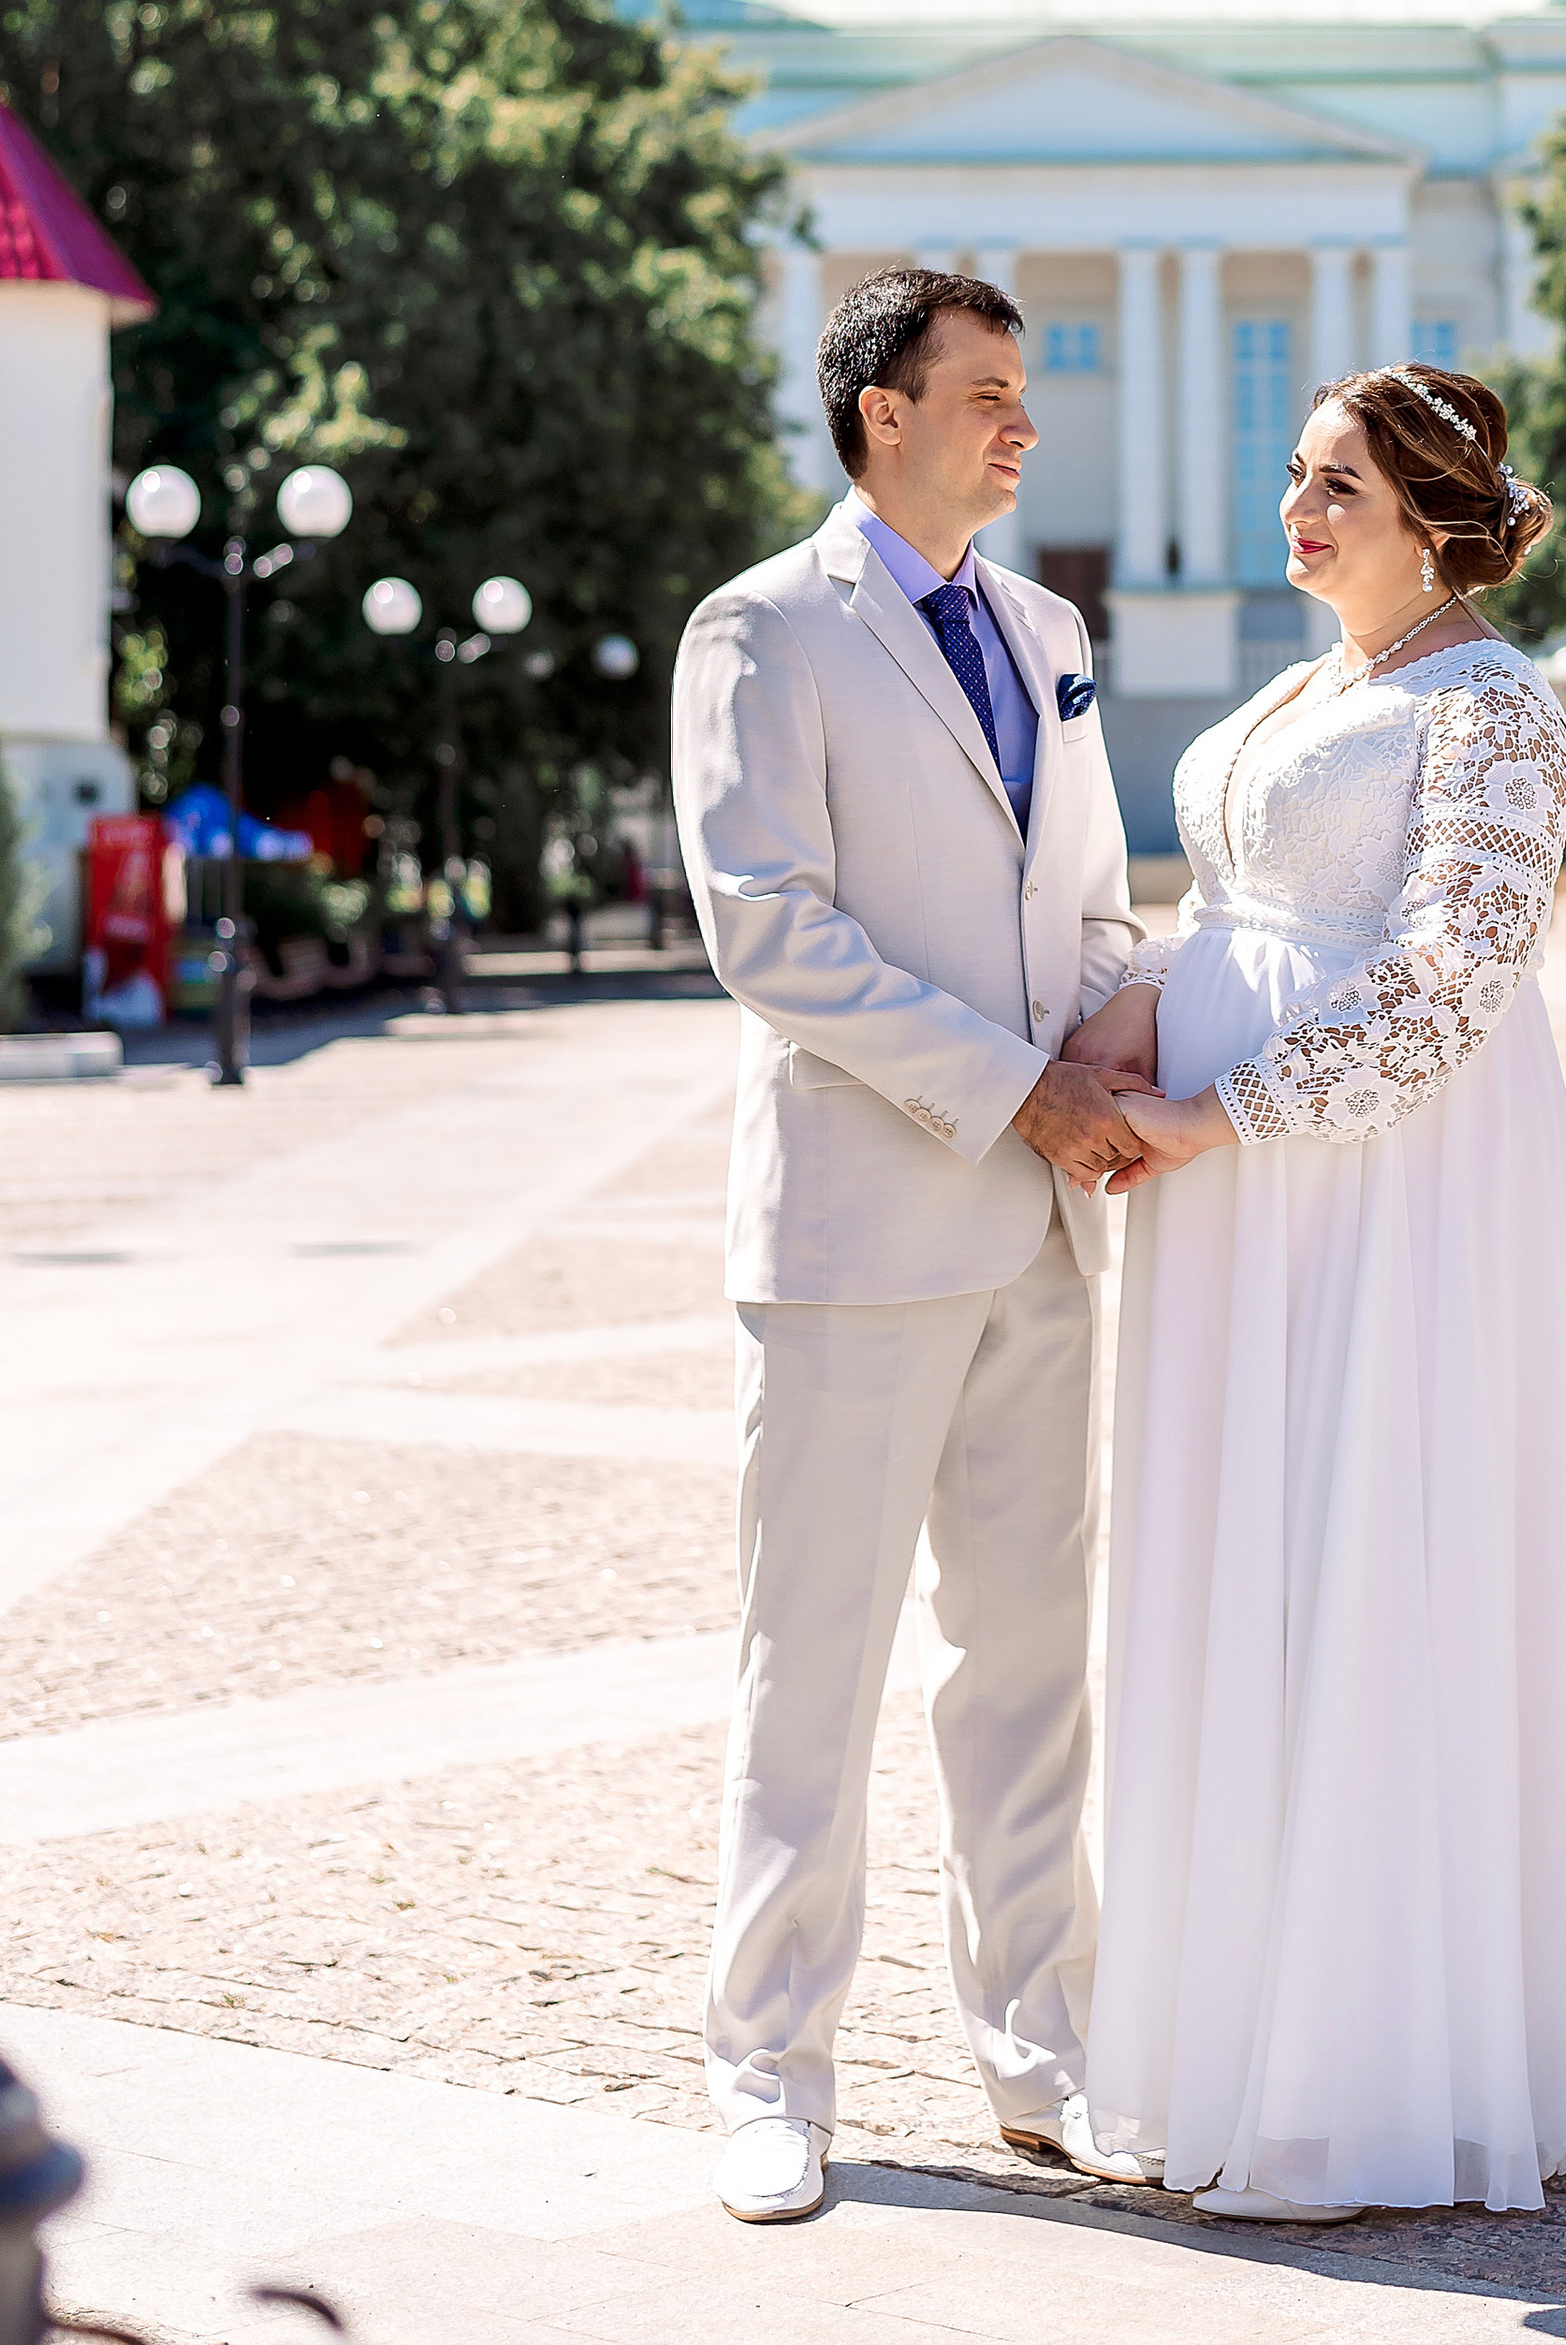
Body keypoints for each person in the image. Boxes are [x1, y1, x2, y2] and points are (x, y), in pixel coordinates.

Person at [1061, 363, 1566, 2222]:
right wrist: (1106, 1044)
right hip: (1228, 1191)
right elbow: (1234, 920)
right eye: (1302, 476)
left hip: (1378, 1196)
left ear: (1432, 518)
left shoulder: (1494, 706)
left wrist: (1209, 1110)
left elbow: (1444, 992)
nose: (1300, 510)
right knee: (1242, 1561)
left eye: (1341, 487)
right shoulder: (1313, 684)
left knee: (1361, 1547)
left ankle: (1374, 2050)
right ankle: (1224, 2016)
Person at [672, 268, 1155, 2224]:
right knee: (811, 1677)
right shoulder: (763, 631)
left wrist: (1115, 1047)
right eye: (983, 394)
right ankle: (766, 2076)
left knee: (1030, 1670)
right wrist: (1016, 1088)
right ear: (882, 411)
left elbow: (1101, 903)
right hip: (858, 1245)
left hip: (1042, 1237)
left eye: (1019, 392)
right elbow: (768, 930)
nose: (1019, 424)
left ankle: (1043, 2056)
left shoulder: (1042, 628)